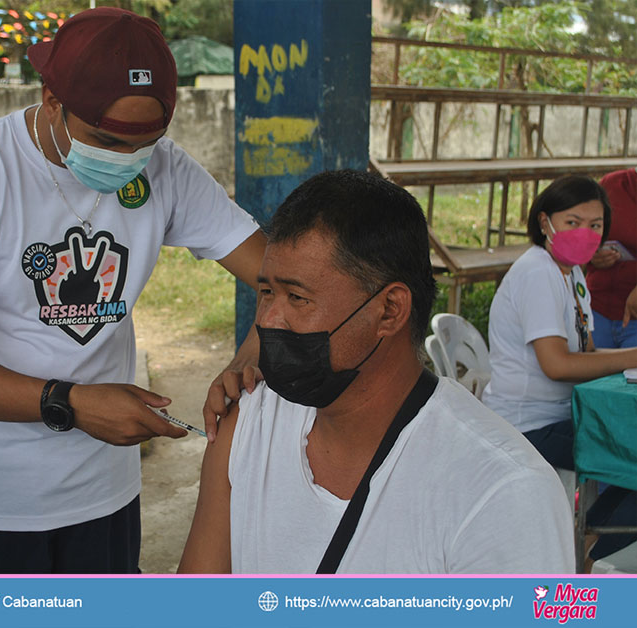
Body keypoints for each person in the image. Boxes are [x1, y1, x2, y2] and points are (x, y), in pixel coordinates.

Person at [0, 7, 265, 574]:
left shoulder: (164, 170)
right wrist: (70, 403)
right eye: (105, 139)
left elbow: (287, 278)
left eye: (147, 141)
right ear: (51, 100)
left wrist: (249, 356)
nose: (128, 160)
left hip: (105, 496)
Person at [178, 170, 573, 574]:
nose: (270, 320)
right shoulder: (249, 424)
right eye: (266, 293)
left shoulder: (502, 492)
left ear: (389, 310)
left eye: (297, 297)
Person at [482, 175, 637, 566]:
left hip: (559, 415)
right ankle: (591, 554)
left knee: (628, 449)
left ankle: (590, 540)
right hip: (526, 425)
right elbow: (557, 365)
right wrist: (632, 358)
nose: (586, 232)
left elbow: (585, 352)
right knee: (629, 453)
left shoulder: (573, 274)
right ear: (545, 222)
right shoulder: (538, 272)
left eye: (596, 225)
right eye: (573, 221)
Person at [587, 168, 637, 349]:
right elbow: (583, 230)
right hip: (596, 310)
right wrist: (591, 255)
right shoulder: (612, 184)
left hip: (634, 321)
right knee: (588, 374)